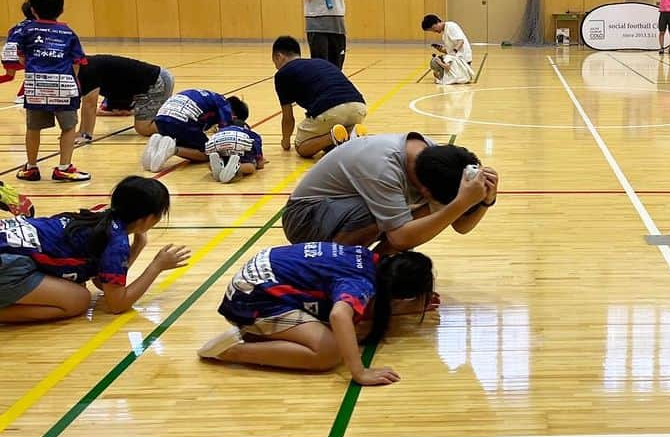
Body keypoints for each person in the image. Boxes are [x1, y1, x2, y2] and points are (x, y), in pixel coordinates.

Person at [197, 243, 436, 386]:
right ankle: (230, 351)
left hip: (256, 279)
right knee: (329, 352)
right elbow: (339, 316)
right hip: (253, 298)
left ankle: (259, 336)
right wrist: (359, 371)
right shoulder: (360, 282)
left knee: (343, 334)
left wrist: (402, 308)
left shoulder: (365, 257)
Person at [0, 176, 189, 323]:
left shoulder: (101, 220)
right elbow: (117, 303)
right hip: (9, 262)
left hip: (9, 246)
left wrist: (138, 246)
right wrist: (156, 266)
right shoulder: (116, 242)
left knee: (75, 286)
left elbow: (103, 282)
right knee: (78, 300)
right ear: (147, 219)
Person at [282, 133, 497, 252]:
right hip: (304, 218)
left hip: (337, 212)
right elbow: (401, 238)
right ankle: (342, 268)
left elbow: (461, 226)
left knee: (420, 216)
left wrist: (486, 200)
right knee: (393, 218)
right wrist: (459, 204)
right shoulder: (383, 169)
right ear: (424, 190)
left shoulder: (439, 162)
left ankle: (373, 268)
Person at [9, 0, 91, 182]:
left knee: (33, 127)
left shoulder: (25, 31)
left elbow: (16, 56)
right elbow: (77, 62)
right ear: (61, 9)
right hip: (63, 86)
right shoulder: (68, 33)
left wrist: (30, 65)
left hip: (37, 85)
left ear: (33, 9)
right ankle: (64, 167)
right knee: (69, 127)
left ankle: (31, 167)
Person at [272, 35, 367, 158]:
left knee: (302, 147)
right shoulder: (320, 62)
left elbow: (288, 118)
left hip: (331, 109)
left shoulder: (282, 74)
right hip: (359, 107)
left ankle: (332, 135)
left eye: (274, 62)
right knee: (330, 147)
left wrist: (285, 141)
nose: (276, 66)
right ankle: (352, 132)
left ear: (279, 56)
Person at [77, 54, 175, 141]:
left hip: (155, 83)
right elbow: (86, 104)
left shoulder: (88, 70)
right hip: (138, 90)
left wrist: (86, 135)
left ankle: (180, 126)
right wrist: (80, 132)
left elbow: (90, 105)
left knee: (143, 128)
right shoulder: (83, 68)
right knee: (142, 125)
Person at [142, 89, 240, 172]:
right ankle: (173, 149)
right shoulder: (224, 105)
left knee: (186, 139)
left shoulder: (208, 95)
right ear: (234, 116)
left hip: (161, 118)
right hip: (181, 121)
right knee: (209, 152)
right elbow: (226, 134)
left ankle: (157, 142)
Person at [204, 98, 266, 183]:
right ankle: (236, 168)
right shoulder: (244, 127)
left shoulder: (222, 124)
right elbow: (256, 139)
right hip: (237, 140)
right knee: (251, 167)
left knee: (214, 161)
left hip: (219, 141)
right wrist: (259, 159)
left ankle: (221, 165)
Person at [421, 14, 474, 85]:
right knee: (437, 62)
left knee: (435, 61)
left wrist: (453, 52)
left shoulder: (451, 26)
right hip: (456, 59)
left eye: (433, 29)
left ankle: (450, 75)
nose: (434, 31)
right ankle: (449, 75)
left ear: (437, 22)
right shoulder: (444, 34)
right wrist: (441, 49)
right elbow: (449, 51)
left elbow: (460, 41)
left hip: (463, 59)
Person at [0, 1, 33, 85]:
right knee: (37, 71)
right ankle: (21, 97)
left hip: (6, 55)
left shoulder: (18, 25)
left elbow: (10, 33)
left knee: (9, 76)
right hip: (18, 55)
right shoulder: (35, 26)